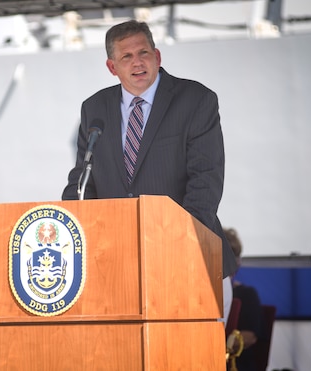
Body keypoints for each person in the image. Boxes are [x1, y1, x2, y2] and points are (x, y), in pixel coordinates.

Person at [61, 20, 238, 323]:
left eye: (143, 52)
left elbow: (206, 181)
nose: (137, 62)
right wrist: (74, 230)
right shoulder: (94, 108)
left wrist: (172, 244)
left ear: (157, 56)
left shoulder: (196, 100)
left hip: (188, 259)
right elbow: (83, 179)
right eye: (126, 57)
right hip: (118, 268)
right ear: (111, 66)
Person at [224, 227, 262, 371]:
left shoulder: (248, 294)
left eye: (235, 256)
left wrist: (220, 345)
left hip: (237, 363)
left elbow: (250, 337)